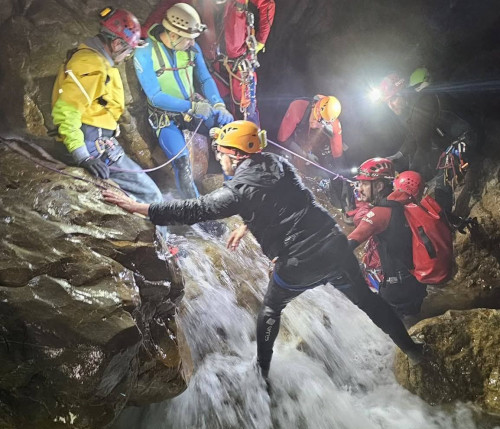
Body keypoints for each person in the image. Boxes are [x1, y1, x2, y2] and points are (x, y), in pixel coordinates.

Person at [102, 120, 428, 382]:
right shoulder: (277, 163)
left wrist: (140, 207)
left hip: (299, 262)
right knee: (368, 300)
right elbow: (281, 199)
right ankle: (413, 350)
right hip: (334, 246)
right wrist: (247, 224)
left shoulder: (237, 190)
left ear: (236, 155)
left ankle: (262, 370)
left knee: (271, 310)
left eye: (221, 153)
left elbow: (193, 210)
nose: (220, 159)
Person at [51, 7, 165, 207]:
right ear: (117, 43)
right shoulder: (90, 65)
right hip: (91, 146)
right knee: (153, 197)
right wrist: (83, 157)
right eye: (129, 50)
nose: (128, 55)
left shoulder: (98, 60)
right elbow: (67, 112)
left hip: (100, 142)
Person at [133, 2, 234, 200]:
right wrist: (192, 107)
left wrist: (218, 104)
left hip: (193, 108)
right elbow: (155, 96)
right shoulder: (145, 51)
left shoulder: (191, 47)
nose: (192, 43)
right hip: (165, 117)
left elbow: (204, 79)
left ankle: (234, 191)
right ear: (173, 35)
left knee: (229, 133)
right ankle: (194, 208)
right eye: (188, 39)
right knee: (182, 164)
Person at [140, 0, 276, 125]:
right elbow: (167, 5)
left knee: (246, 112)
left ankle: (250, 139)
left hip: (239, 67)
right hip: (213, 67)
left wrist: (260, 41)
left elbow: (267, 4)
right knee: (219, 114)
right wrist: (142, 34)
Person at [379, 72, 479, 215]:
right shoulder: (412, 104)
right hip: (451, 141)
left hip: (465, 137)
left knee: (443, 176)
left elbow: (422, 144)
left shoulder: (423, 102)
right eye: (387, 102)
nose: (391, 105)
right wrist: (399, 154)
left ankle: (445, 218)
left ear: (403, 92)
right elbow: (413, 135)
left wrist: (409, 175)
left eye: (393, 99)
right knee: (435, 167)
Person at [347, 158, 428, 320]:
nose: (359, 188)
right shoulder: (405, 203)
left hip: (395, 292)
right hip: (415, 285)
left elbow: (347, 244)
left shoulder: (381, 212)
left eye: (364, 183)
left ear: (378, 186)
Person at [277, 94, 354, 215]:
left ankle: (332, 197)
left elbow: (338, 156)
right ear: (314, 106)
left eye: (321, 123)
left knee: (331, 170)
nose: (315, 124)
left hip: (317, 146)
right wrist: (304, 155)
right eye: (316, 119)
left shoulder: (334, 125)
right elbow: (282, 138)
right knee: (285, 158)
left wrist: (342, 178)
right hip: (296, 141)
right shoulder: (298, 107)